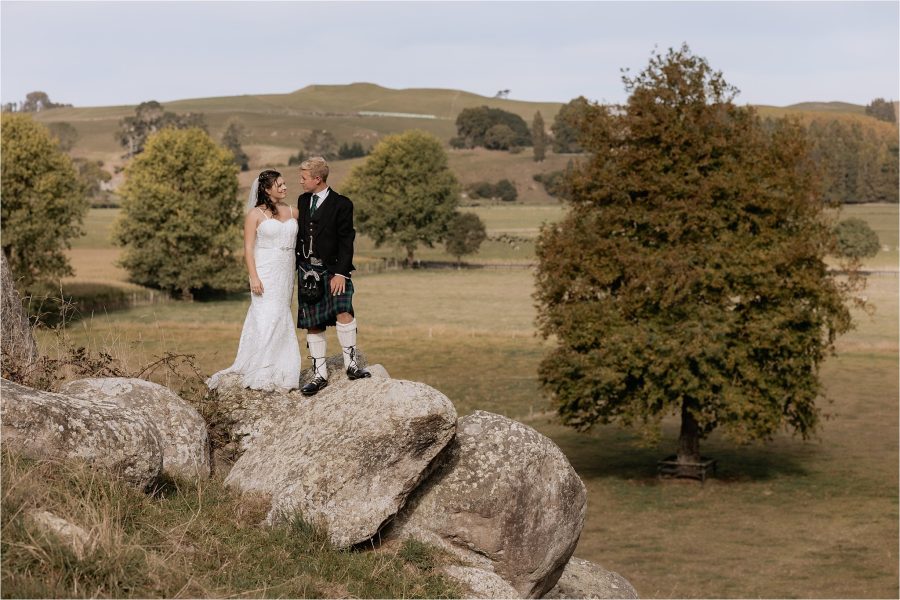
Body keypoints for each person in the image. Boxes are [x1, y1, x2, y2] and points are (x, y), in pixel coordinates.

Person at [208, 169, 302, 391]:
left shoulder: (293, 211)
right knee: (265, 316)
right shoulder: (254, 215)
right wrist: (254, 277)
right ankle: (262, 367)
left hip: (286, 271)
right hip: (265, 270)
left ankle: (283, 367)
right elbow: (248, 248)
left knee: (281, 314)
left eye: (285, 184)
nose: (285, 188)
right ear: (266, 189)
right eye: (279, 185)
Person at [295, 157, 370, 396]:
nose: (300, 181)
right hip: (308, 271)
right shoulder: (303, 200)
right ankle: (319, 374)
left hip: (334, 270)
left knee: (343, 311)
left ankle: (352, 365)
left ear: (318, 179)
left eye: (304, 177)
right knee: (313, 322)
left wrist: (341, 272)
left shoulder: (342, 204)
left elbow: (347, 240)